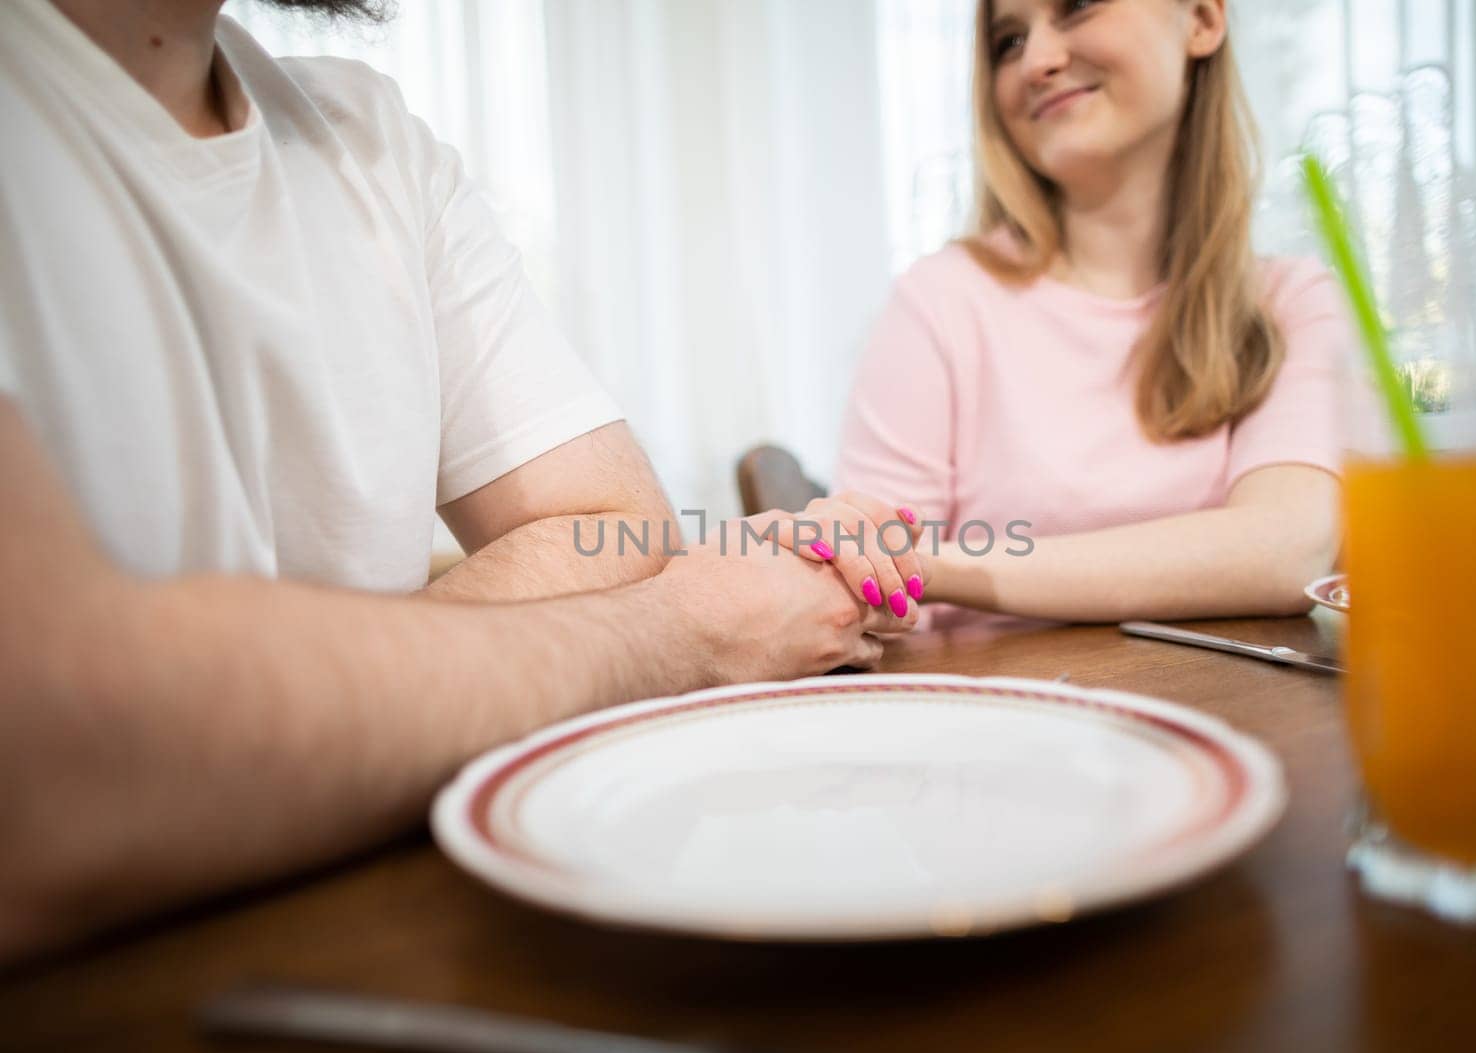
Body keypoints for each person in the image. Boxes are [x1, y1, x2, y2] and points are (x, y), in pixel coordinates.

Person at [0, 0, 921, 964]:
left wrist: (364, 719)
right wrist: (686, 627)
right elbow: (61, 756)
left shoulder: (367, 135)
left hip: (367, 925)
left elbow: (615, 526)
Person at [804, 0, 1362, 626]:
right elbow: (870, 591)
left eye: (1077, 8)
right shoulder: (938, 301)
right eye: (1009, 41)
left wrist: (937, 567)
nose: (1038, 61)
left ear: (1203, 19)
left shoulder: (1293, 303)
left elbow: (1286, 550)